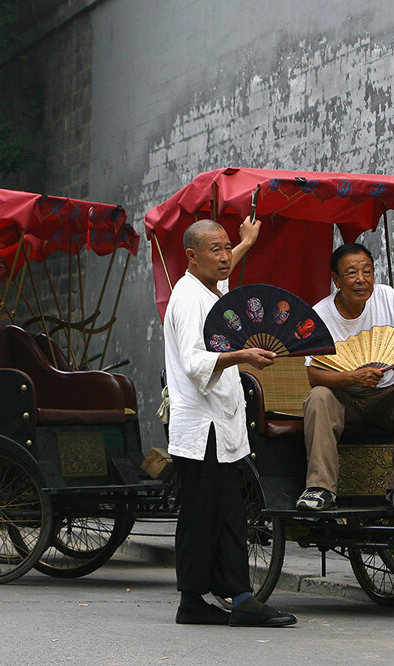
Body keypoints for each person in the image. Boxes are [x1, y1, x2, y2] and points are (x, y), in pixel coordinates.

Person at [163, 216, 297, 627]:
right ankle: (206, 600)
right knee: (204, 516)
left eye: (227, 248)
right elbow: (192, 360)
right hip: (202, 428)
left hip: (218, 426)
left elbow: (223, 267)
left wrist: (247, 242)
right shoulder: (187, 298)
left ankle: (227, 597)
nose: (225, 258)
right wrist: (243, 356)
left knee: (226, 514)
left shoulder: (209, 286)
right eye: (215, 250)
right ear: (191, 256)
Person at [296, 243, 394, 511]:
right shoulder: (320, 315)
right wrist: (353, 377)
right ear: (336, 280)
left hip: (387, 395)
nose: (361, 279)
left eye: (367, 271)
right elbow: (314, 375)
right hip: (345, 398)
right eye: (351, 273)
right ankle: (320, 488)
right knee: (318, 397)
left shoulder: (385, 296)